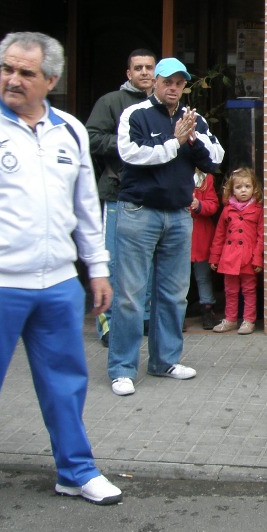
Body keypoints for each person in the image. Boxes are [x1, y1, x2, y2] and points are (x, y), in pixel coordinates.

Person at [0, 31, 122, 525]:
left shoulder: (71, 131)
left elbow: (85, 208)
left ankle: (75, 471)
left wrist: (96, 269)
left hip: (56, 283)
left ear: (51, 80)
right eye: (7, 68)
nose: (12, 79)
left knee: (66, 383)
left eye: (25, 73)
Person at [106, 57, 223, 397]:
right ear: (154, 82)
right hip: (139, 212)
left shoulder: (193, 119)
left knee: (173, 294)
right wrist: (174, 142)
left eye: (180, 83)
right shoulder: (136, 114)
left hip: (177, 215)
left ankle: (165, 361)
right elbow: (132, 154)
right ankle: (122, 368)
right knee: (130, 294)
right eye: (167, 81)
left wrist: (191, 139)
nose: (173, 88)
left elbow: (215, 158)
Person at [85, 49, 157, 346]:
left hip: (154, 196)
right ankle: (109, 325)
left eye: (149, 68)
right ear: (128, 73)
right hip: (117, 194)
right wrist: (129, 145)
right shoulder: (110, 102)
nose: (143, 72)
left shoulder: (162, 104)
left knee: (149, 263)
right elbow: (91, 137)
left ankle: (144, 320)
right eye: (137, 68)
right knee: (113, 263)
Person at [210, 166, 264, 335]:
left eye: (247, 187)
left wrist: (257, 259)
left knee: (249, 290)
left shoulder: (258, 210)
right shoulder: (227, 210)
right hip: (229, 257)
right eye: (239, 187)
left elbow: (261, 237)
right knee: (230, 291)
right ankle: (231, 319)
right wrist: (215, 257)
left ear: (254, 188)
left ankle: (248, 320)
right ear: (232, 189)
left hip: (248, 258)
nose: (243, 191)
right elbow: (219, 235)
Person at [190, 169, 220, 330]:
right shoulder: (172, 173)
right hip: (180, 234)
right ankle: (177, 312)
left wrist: (199, 205)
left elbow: (213, 204)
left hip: (201, 234)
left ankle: (207, 308)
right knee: (178, 278)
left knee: (203, 275)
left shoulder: (206, 178)